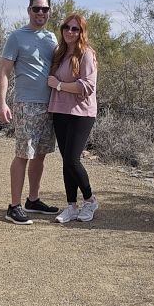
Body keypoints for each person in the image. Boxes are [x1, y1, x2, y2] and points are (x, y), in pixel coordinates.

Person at [0, 0, 60, 225]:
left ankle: (33, 199)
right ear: (28, 10)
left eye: (44, 9)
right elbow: (4, 71)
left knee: (40, 154)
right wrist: (1, 102)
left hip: (49, 104)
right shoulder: (16, 37)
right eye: (36, 9)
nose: (40, 13)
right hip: (26, 104)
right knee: (23, 154)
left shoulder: (52, 38)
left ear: (49, 12)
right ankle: (14, 206)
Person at [47, 13, 99, 223]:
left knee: (72, 159)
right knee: (66, 162)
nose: (70, 31)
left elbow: (87, 87)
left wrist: (58, 85)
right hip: (60, 111)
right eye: (66, 27)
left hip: (81, 113)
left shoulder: (86, 54)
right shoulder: (59, 53)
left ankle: (90, 200)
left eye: (75, 29)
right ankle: (71, 206)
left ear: (81, 32)